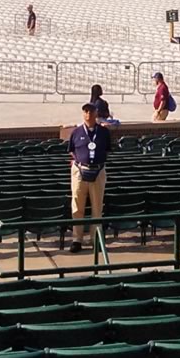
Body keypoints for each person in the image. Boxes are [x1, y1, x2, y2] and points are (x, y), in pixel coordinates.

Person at [67, 102, 111, 252]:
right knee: (77, 205)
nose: (88, 114)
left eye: (91, 111)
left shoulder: (104, 132)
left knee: (97, 207)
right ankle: (77, 239)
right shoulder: (76, 132)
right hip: (80, 170)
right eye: (85, 111)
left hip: (98, 171)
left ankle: (95, 238)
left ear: (96, 113)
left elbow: (107, 150)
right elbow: (71, 150)